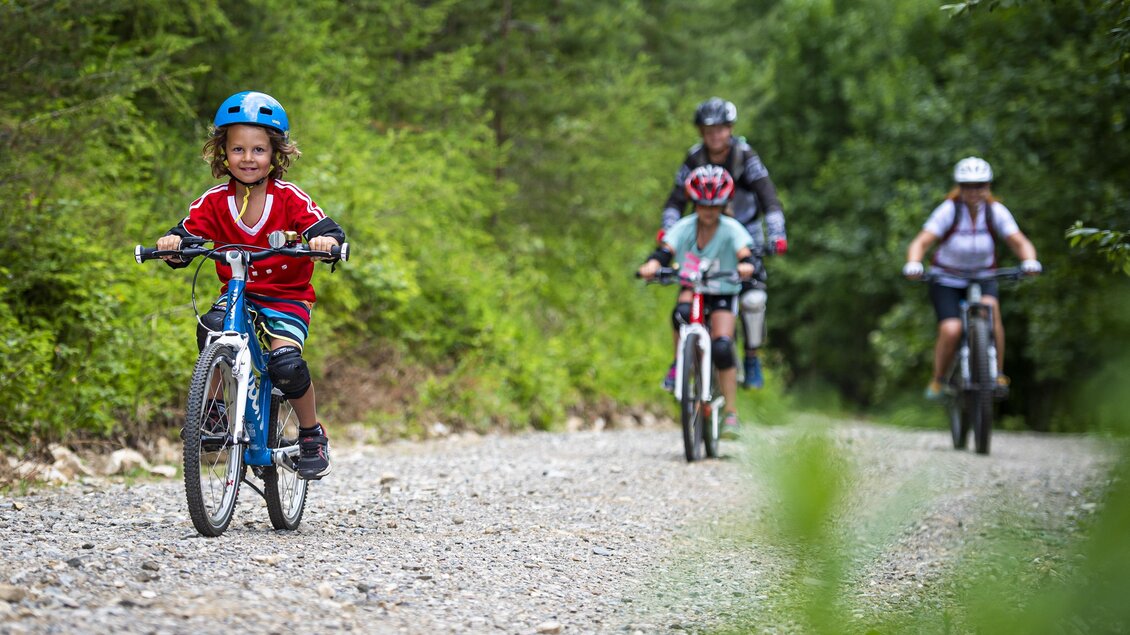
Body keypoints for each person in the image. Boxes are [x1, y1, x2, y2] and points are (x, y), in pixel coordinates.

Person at [155, 90, 345, 479]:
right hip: (238, 293)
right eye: (238, 149)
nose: (247, 158)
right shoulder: (213, 201)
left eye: (258, 150)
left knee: (287, 366)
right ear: (223, 152)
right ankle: (213, 415)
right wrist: (173, 246)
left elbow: (325, 229)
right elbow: (187, 236)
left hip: (287, 297)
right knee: (211, 330)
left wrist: (326, 244)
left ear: (276, 154)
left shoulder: (290, 199)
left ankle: (310, 432)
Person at [659, 97, 787, 390]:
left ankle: (752, 356)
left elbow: (768, 197)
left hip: (746, 234)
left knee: (753, 300)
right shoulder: (694, 158)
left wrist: (777, 234)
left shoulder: (745, 156)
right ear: (701, 133)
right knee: (687, 293)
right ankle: (681, 358)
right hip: (705, 235)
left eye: (720, 129)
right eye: (708, 130)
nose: (714, 136)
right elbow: (676, 200)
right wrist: (668, 232)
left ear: (730, 129)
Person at [902, 156, 1041, 400]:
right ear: (959, 187)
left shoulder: (995, 211)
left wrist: (1029, 260)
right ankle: (939, 379)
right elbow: (921, 241)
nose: (974, 191)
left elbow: (1019, 241)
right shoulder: (949, 210)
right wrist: (914, 263)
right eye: (968, 186)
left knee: (991, 308)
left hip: (984, 275)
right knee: (951, 329)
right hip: (947, 278)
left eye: (980, 185)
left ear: (988, 187)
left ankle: (997, 372)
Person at [640, 165, 758, 438]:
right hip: (693, 287)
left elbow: (745, 252)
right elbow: (665, 251)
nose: (708, 211)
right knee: (680, 314)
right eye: (703, 205)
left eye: (714, 205)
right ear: (695, 203)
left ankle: (730, 413)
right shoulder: (685, 227)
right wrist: (652, 265)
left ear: (723, 205)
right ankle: (678, 364)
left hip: (723, 290)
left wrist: (746, 265)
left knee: (723, 347)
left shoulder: (731, 229)